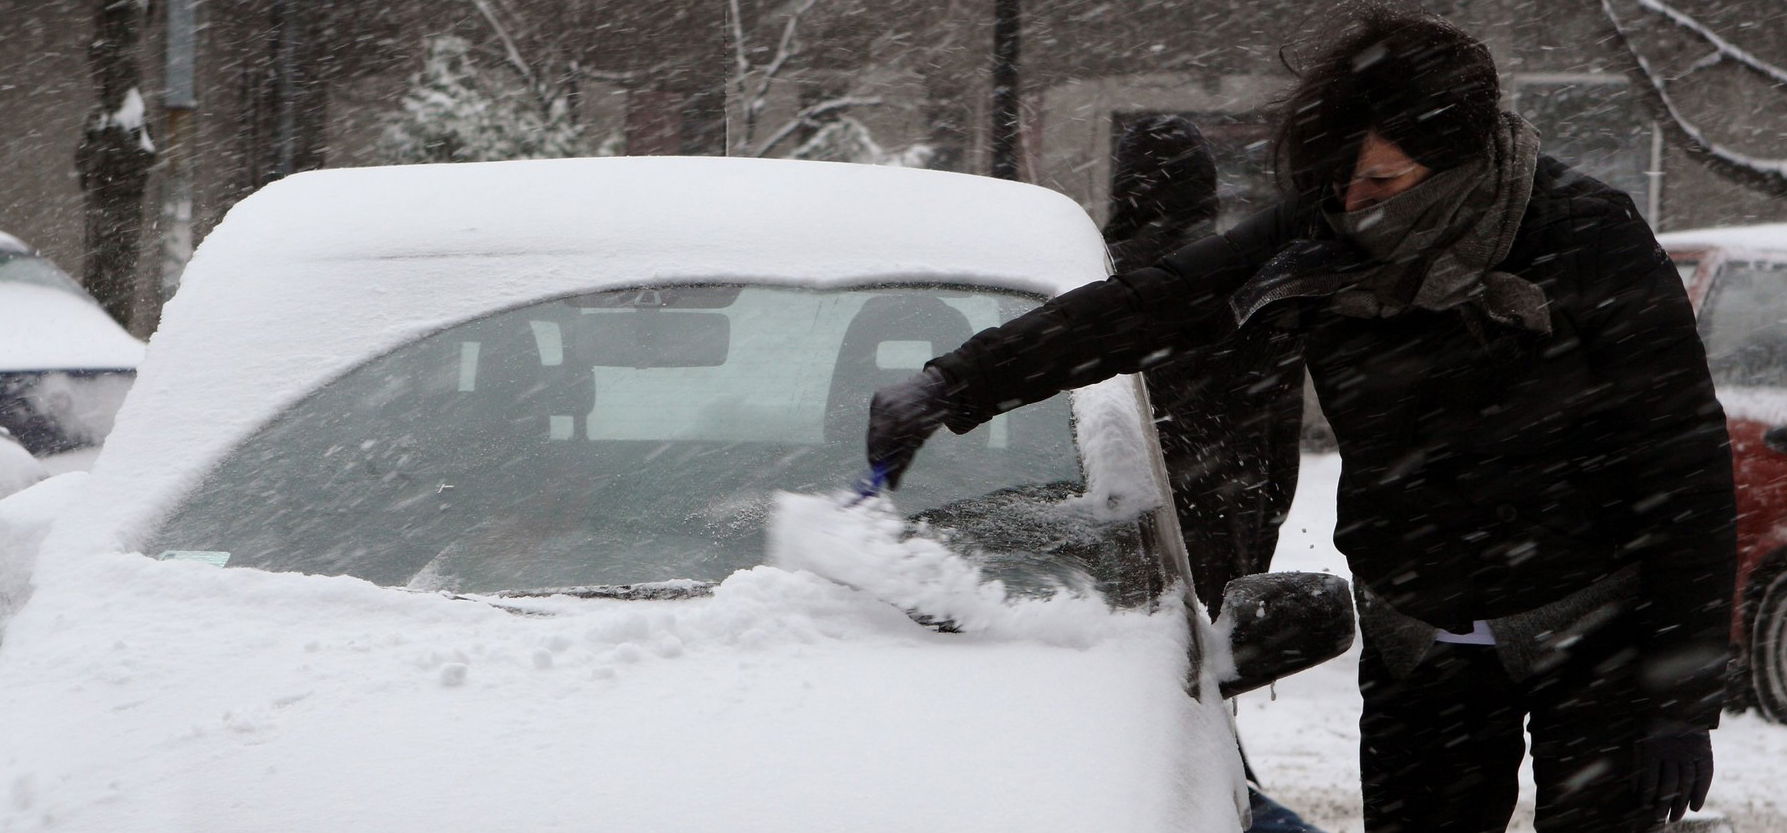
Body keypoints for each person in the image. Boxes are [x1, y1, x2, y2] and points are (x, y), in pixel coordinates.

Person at [867, 6, 1735, 833]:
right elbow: (1154, 304)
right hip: (1418, 640)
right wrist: (956, 382)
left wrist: (1678, 697)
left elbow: (1682, 463)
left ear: (1459, 158)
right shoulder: (1324, 229)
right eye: (1341, 176)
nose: (1355, 201)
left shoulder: (1584, 235)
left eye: (1382, 180)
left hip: (1592, 637)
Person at [1105, 114, 1322, 833]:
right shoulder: (1248, 279)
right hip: (1218, 516)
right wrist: (1254, 535)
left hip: (1109, 515)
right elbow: (1276, 433)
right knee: (1197, 694)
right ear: (1207, 190)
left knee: (1123, 697)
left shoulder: (1095, 275)